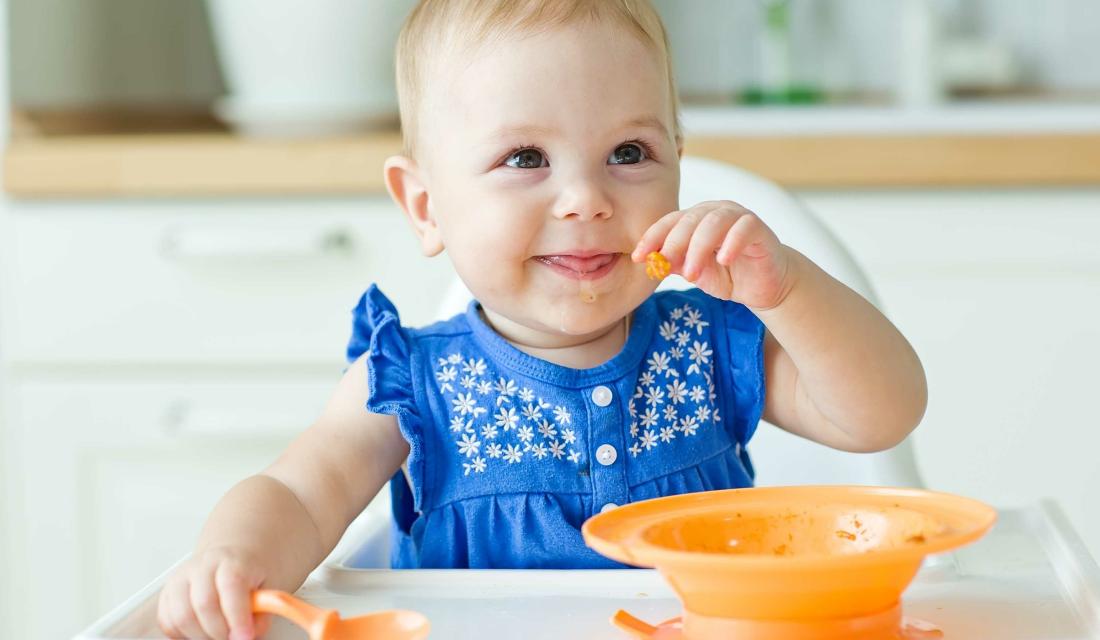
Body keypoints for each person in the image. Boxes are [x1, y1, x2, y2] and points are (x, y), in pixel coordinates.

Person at [157, 1, 927, 638]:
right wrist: (231, 556)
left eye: (629, 151)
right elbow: (296, 495)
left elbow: (880, 415)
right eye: (526, 158)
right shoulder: (410, 386)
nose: (586, 198)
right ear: (426, 208)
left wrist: (786, 289)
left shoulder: (711, 344)